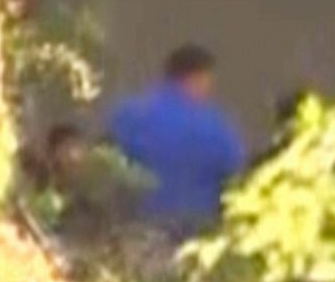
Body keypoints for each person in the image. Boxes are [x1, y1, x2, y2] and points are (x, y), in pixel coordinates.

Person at [102, 45, 250, 240]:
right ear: (198, 78)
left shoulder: (126, 115)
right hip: (193, 234)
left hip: (135, 231)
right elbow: (237, 177)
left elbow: (103, 166)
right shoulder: (216, 126)